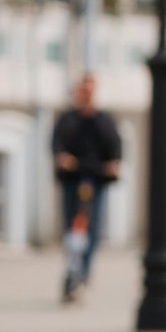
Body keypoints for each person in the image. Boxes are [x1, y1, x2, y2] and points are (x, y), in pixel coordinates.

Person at [51, 74, 122, 296]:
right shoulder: (68, 118)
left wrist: (113, 164)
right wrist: (62, 159)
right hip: (73, 180)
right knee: (72, 228)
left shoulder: (103, 119)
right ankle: (73, 270)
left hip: (96, 181)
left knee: (92, 229)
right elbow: (57, 145)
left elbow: (115, 147)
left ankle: (83, 273)